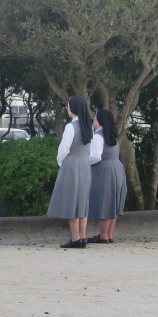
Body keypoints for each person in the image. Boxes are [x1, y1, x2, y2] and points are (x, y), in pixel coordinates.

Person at [47, 96, 93, 249]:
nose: (67, 108)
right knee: (82, 201)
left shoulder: (71, 126)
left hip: (72, 162)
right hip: (85, 163)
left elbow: (64, 149)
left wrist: (61, 162)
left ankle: (75, 238)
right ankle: (83, 236)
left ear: (73, 108)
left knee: (71, 201)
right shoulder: (89, 126)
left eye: (68, 106)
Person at [87, 109, 127, 243]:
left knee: (105, 201)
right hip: (117, 168)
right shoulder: (112, 136)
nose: (94, 121)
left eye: (95, 118)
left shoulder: (98, 136)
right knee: (113, 202)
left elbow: (96, 156)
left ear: (100, 121)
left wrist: (83, 161)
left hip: (105, 171)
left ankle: (103, 236)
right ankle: (109, 234)